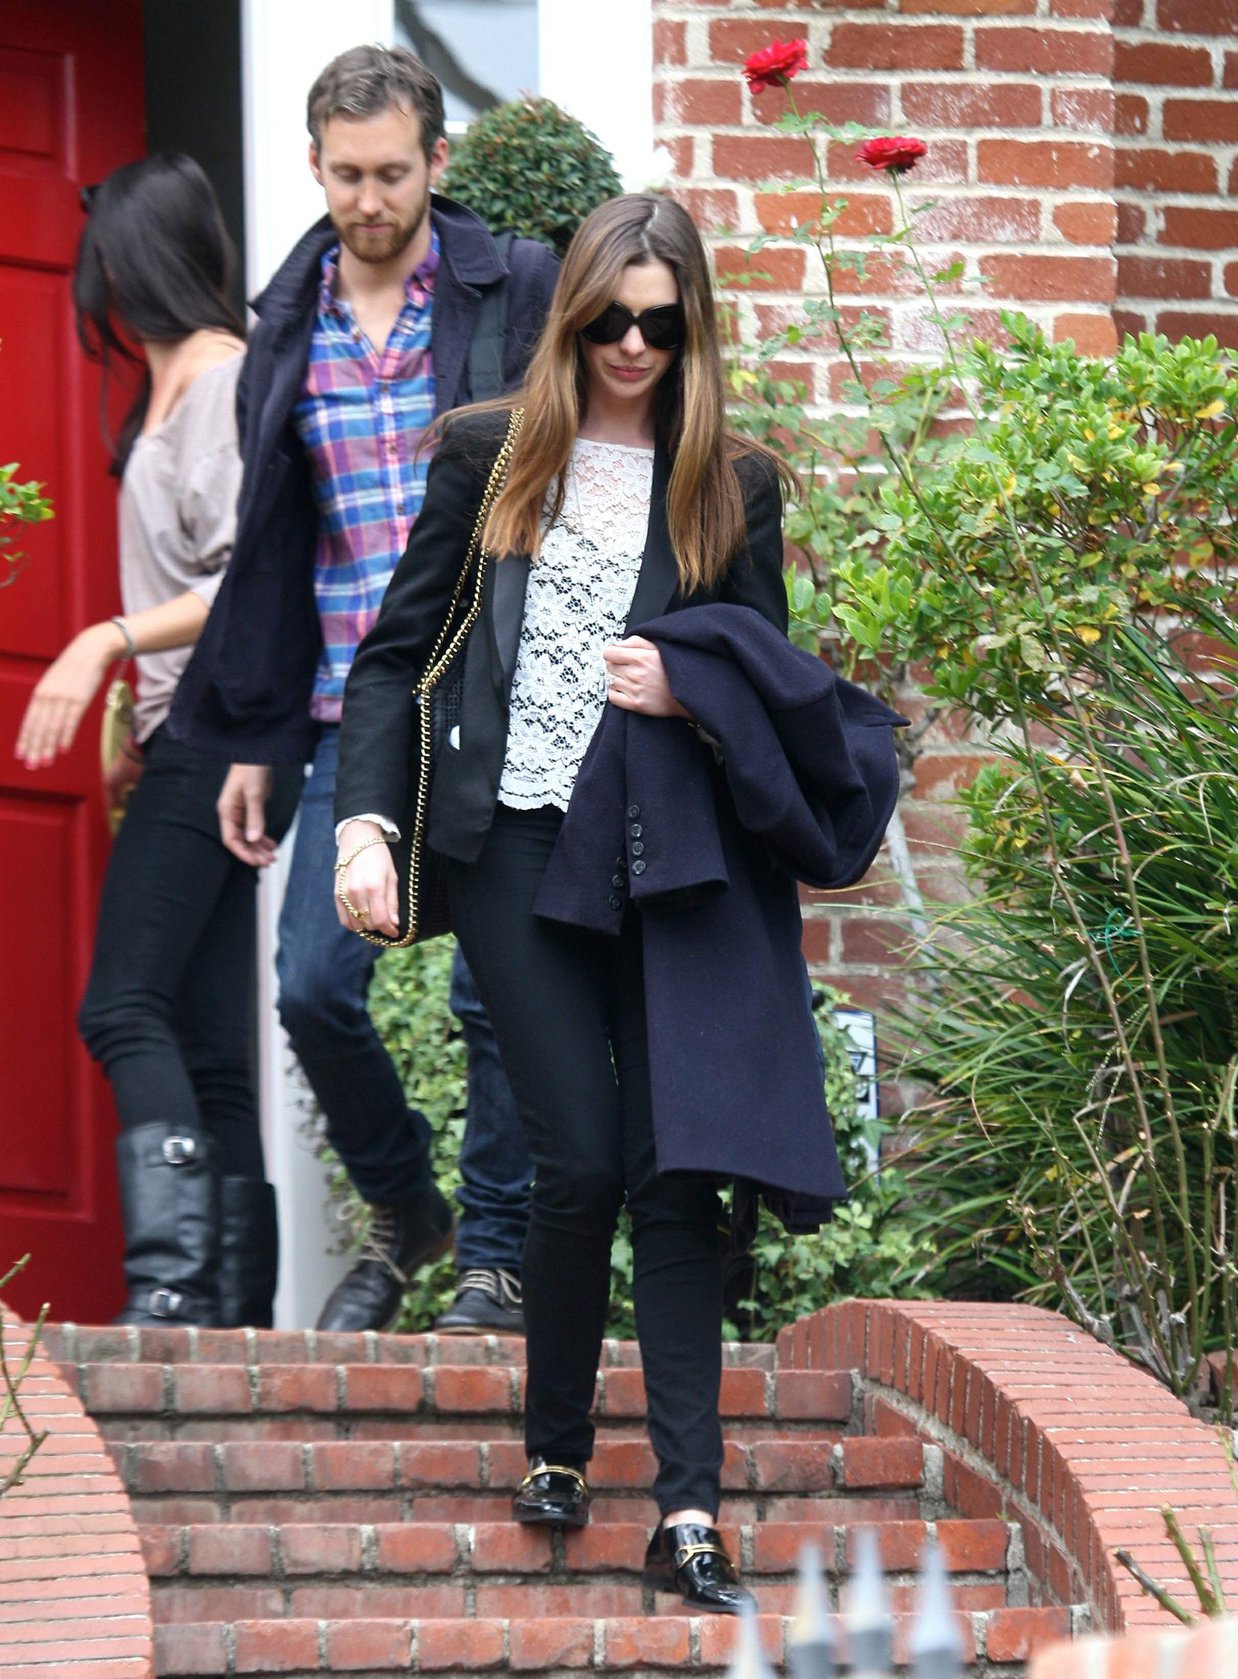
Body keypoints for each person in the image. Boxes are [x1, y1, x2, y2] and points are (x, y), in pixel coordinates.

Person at [332, 192, 903, 1614]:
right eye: (610, 319)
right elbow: (396, 659)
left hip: (668, 857)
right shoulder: (488, 455)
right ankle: (557, 1444)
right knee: (574, 1156)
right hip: (517, 848)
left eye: (662, 321)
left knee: (674, 1172)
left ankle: (691, 1510)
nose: (634, 345)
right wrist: (363, 825)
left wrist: (689, 684)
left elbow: (769, 690)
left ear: (689, 326)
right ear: (571, 312)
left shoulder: (728, 483)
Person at [170, 44, 561, 1334]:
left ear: (436, 163)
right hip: (355, 709)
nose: (369, 199)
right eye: (346, 175)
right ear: (314, 166)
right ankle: (410, 1206)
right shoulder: (287, 320)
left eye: (393, 172)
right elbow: (275, 549)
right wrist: (257, 736)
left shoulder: (514, 287)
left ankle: (495, 1258)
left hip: (496, 695)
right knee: (310, 988)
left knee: (492, 989)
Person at [13, 154, 301, 1327]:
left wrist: (105, 642)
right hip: (192, 732)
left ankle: (172, 1289)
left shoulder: (226, 383)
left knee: (119, 1004)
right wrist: (136, 722)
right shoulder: (176, 385)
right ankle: (229, 1314)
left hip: (227, 734)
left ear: (132, 263)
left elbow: (249, 578)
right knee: (203, 1039)